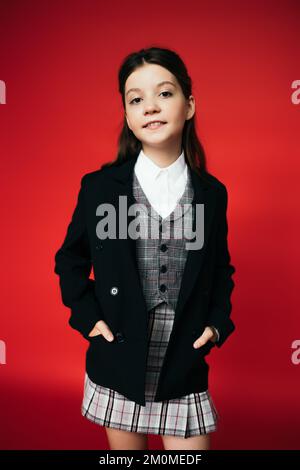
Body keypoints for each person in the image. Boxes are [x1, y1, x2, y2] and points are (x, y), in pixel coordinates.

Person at [54, 46, 236, 451]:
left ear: (189, 105)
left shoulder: (212, 194)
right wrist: (88, 318)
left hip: (182, 355)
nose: (150, 107)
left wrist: (217, 324)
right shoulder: (100, 188)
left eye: (165, 94)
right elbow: (70, 259)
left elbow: (221, 268)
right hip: (119, 350)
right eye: (136, 99)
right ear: (127, 116)